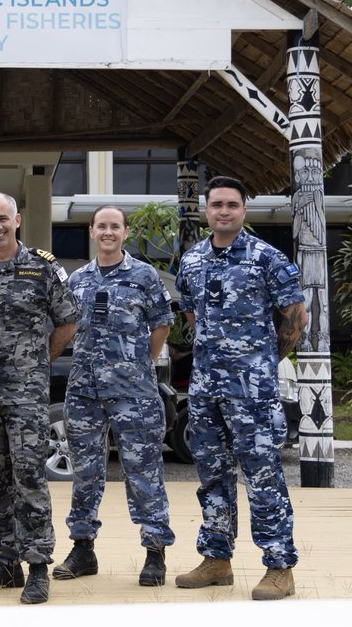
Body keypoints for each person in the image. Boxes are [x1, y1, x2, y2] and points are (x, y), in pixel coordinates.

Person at [173, 176, 307, 601]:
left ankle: (279, 566)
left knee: (263, 475)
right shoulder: (192, 260)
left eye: (232, 204)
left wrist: (264, 363)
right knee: (211, 476)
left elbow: (295, 318)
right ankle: (216, 560)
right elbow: (192, 316)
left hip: (253, 391)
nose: (224, 211)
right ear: (207, 210)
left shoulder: (267, 258)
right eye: (217, 205)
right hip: (206, 388)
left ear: (243, 210)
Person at [0, 192, 80, 605]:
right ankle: (5, 560)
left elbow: (67, 320)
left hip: (25, 396)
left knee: (29, 477)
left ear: (17, 219)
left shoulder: (42, 268)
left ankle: (38, 565)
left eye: (3, 219)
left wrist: (39, 360)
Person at [55, 205, 176, 586]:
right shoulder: (77, 279)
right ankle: (82, 549)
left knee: (143, 473)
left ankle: (154, 552)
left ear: (125, 232)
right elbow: (67, 325)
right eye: (101, 226)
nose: (108, 232)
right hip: (84, 391)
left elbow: (161, 324)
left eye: (115, 227)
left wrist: (140, 364)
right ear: (92, 232)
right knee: (85, 473)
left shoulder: (143, 276)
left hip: (133, 393)